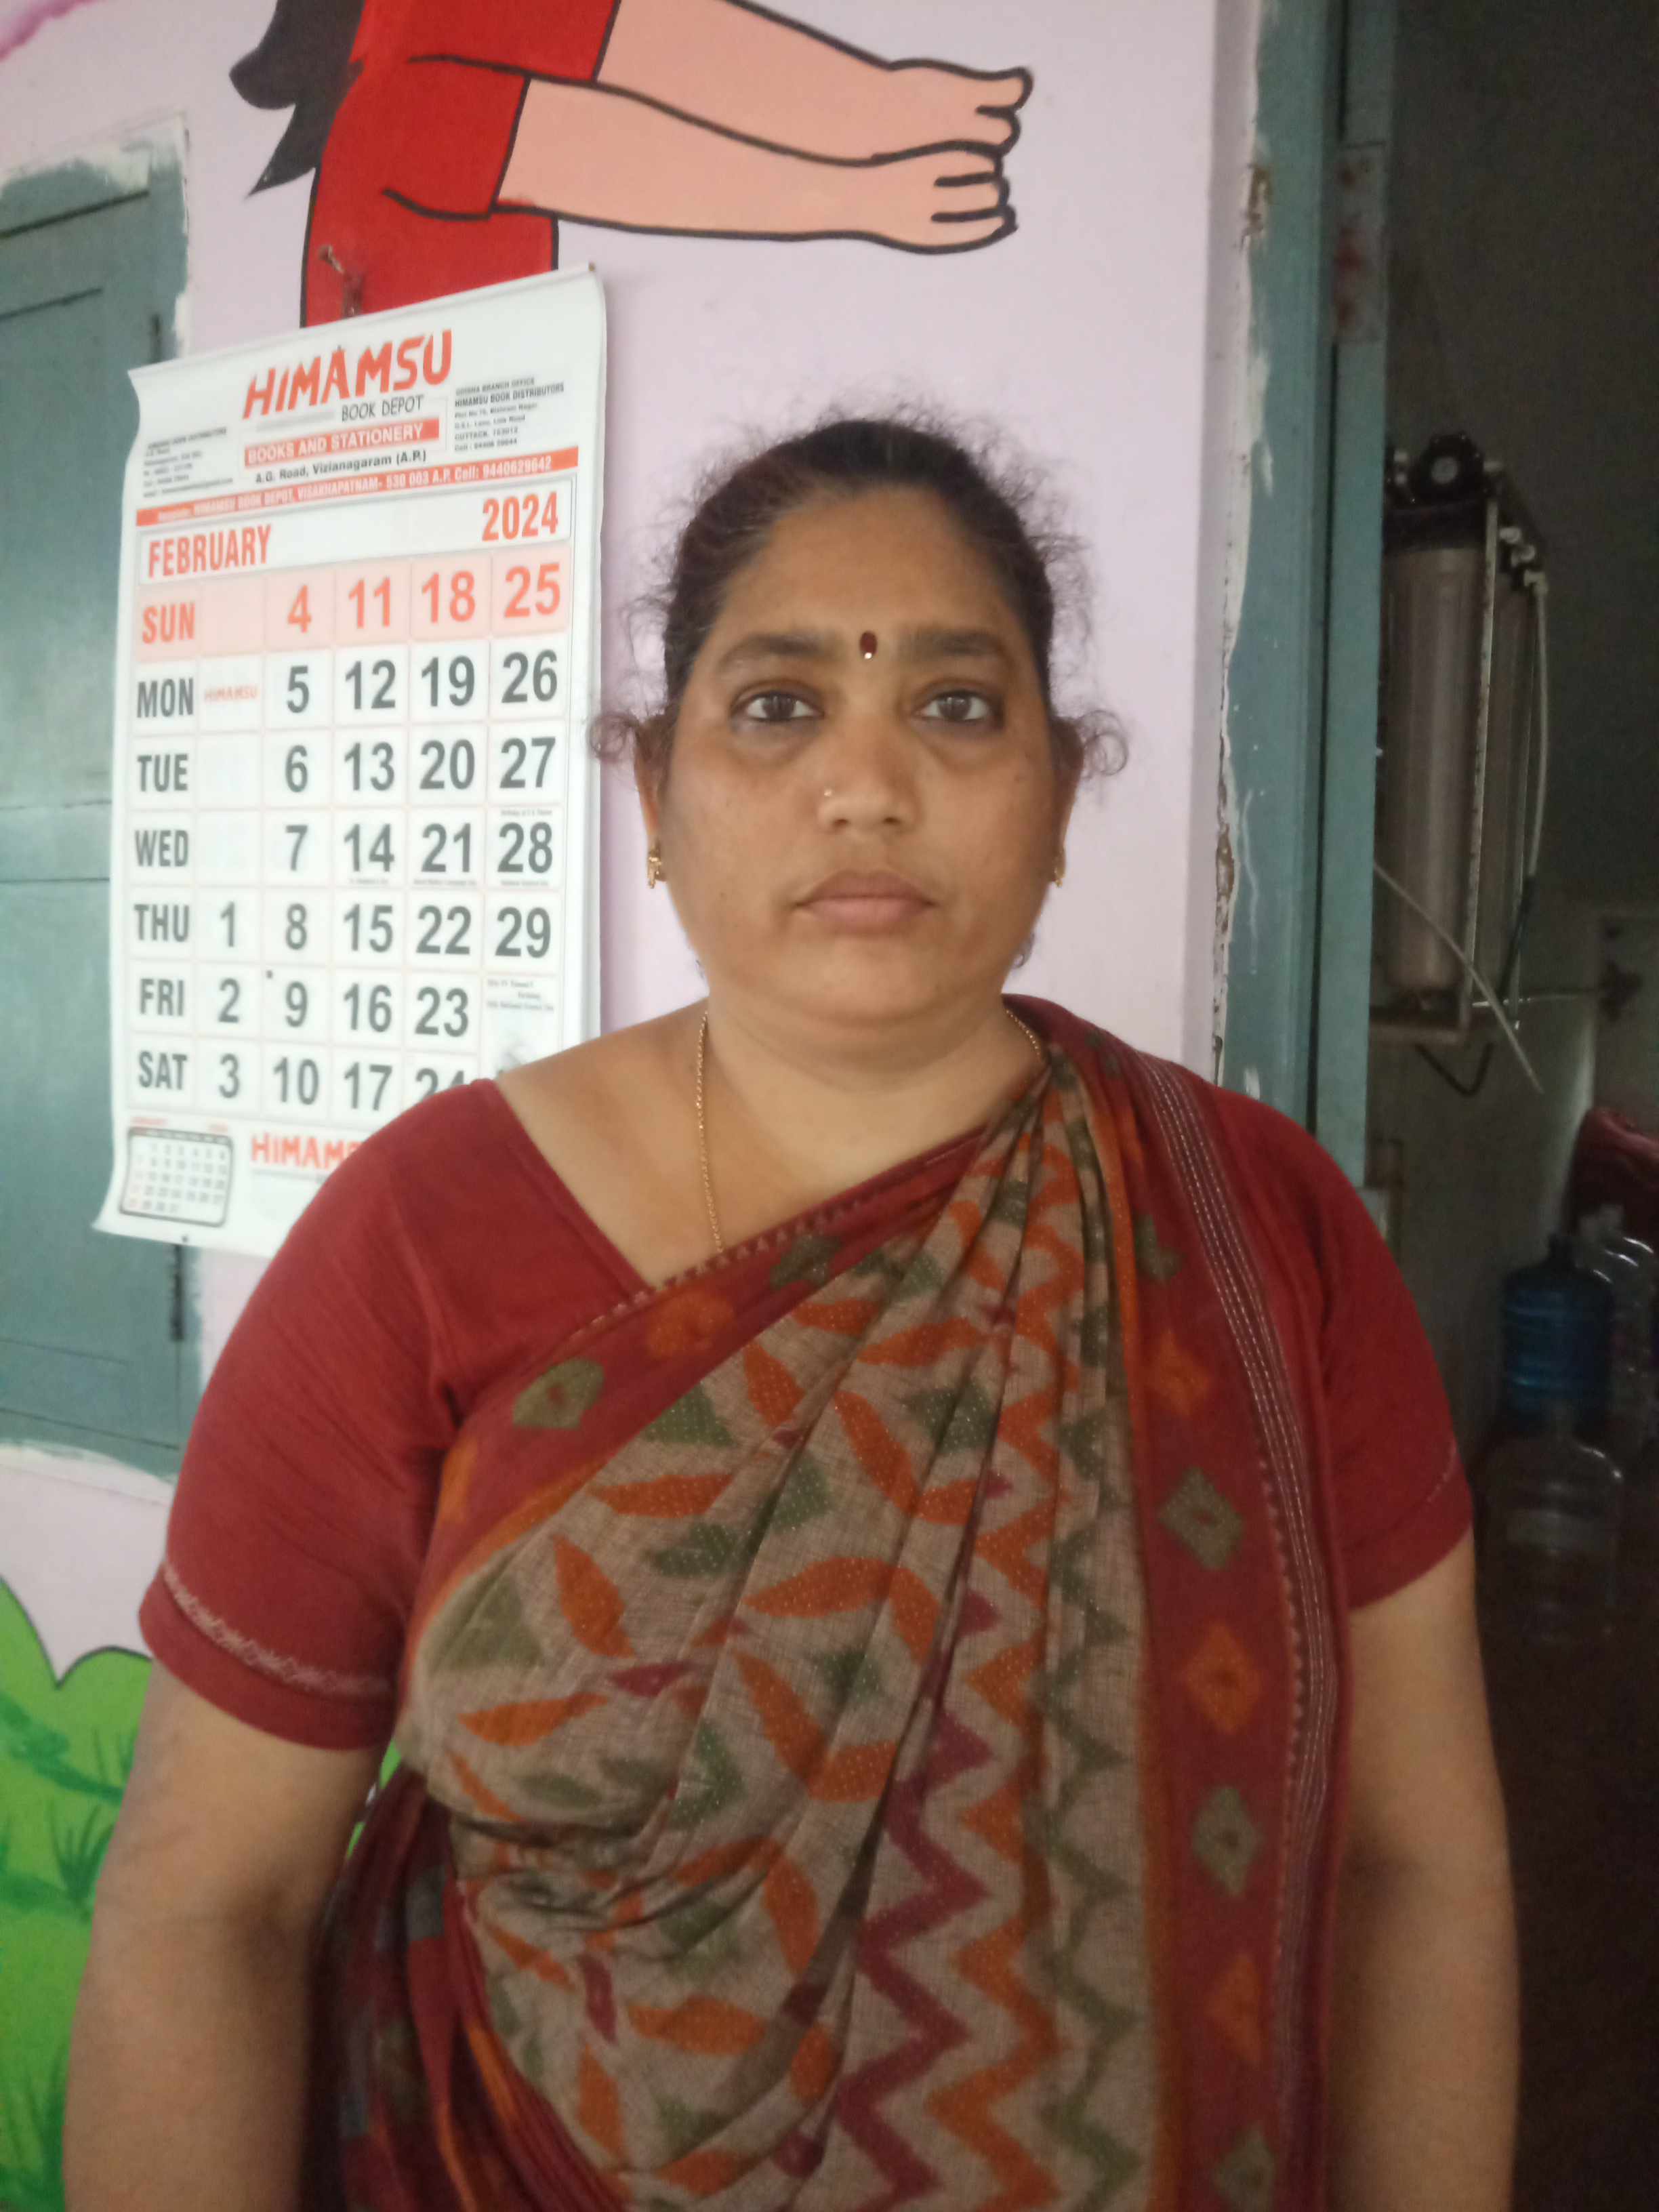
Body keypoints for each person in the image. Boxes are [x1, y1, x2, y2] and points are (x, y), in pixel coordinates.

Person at [67, 417, 1518, 2210]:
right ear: (654, 800)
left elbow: (1415, 1865)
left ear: (1063, 796)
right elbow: (212, 1908)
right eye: (777, 706)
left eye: (957, 705)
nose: (868, 784)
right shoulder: (422, 1240)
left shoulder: (1260, 1232)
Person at [230, 0, 1031, 325]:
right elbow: (602, 156)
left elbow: (645, 36)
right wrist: (859, 194)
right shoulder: (395, 102)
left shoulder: (437, 27)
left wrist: (883, 104)